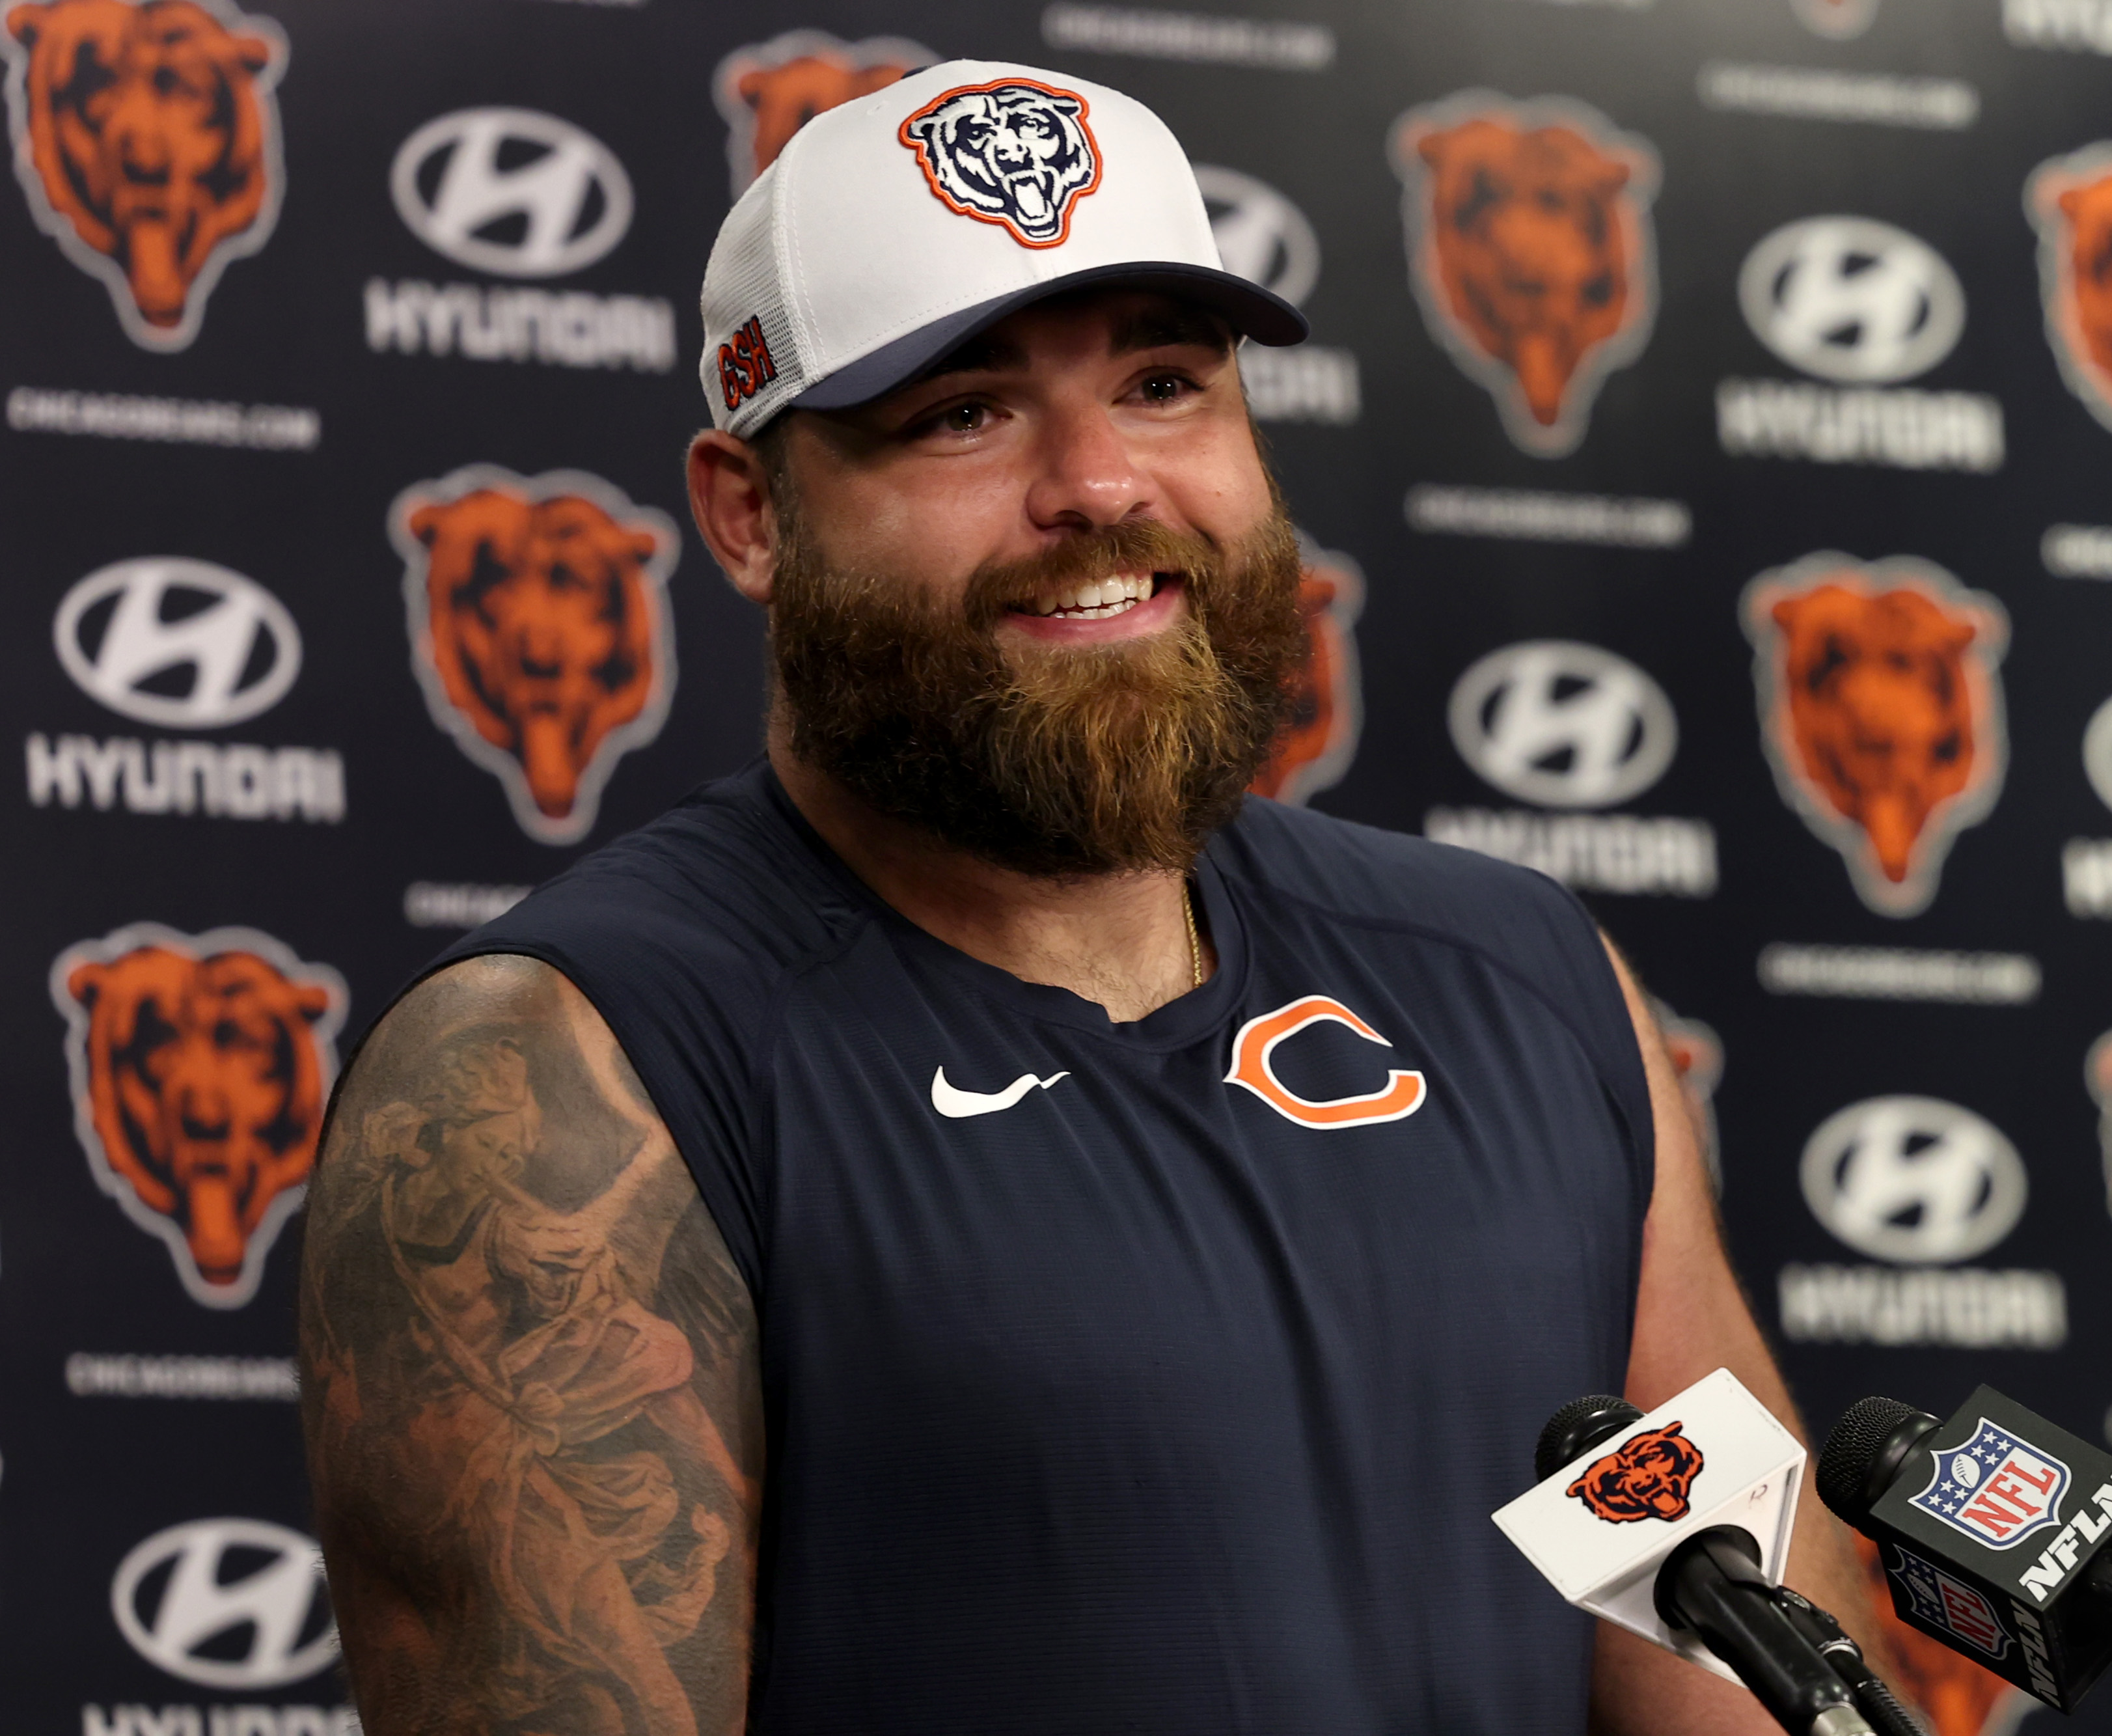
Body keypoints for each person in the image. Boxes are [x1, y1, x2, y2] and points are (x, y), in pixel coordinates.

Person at [299, 59, 1880, 1735]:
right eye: (964, 412)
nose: (1100, 484)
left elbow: (1740, 1676)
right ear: (749, 513)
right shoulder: (565, 1077)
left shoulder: (1524, 982)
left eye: (1163, 382)